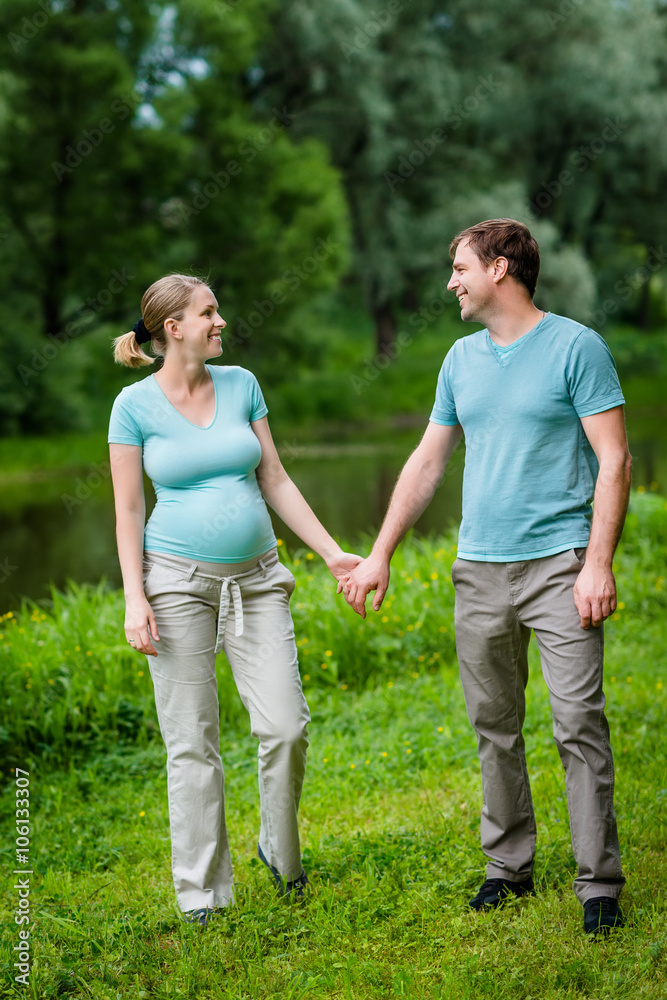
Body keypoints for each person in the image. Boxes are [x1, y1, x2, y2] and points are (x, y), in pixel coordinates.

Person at [341, 219, 631, 936]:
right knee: (492, 726)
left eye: (459, 268)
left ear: (500, 268)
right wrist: (379, 552)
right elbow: (426, 462)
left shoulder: (575, 347)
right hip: (478, 569)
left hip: (559, 565)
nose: (451, 282)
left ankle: (597, 884)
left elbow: (614, 460)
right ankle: (508, 866)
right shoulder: (459, 361)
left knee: (576, 725)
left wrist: (596, 564)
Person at [108, 273, 361, 926]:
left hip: (258, 580)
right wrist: (135, 598)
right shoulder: (133, 407)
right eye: (209, 312)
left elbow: (273, 475)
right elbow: (128, 509)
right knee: (191, 741)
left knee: (285, 725)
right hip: (174, 583)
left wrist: (331, 552)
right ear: (174, 329)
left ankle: (278, 849)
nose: (221, 322)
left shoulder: (242, 385)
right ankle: (201, 894)